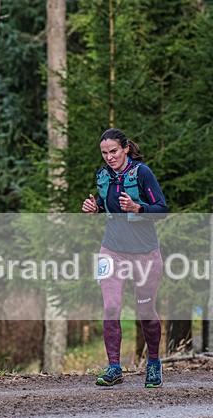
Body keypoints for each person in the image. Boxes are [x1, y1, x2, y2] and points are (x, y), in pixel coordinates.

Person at [82, 128, 168, 387]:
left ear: (126, 149)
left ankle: (153, 364)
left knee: (145, 309)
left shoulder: (142, 173)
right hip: (112, 250)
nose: (109, 157)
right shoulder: (104, 176)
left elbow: (161, 210)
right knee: (110, 307)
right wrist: (95, 208)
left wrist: (138, 208)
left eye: (114, 151)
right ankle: (114, 367)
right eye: (104, 153)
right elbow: (106, 203)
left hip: (145, 253)